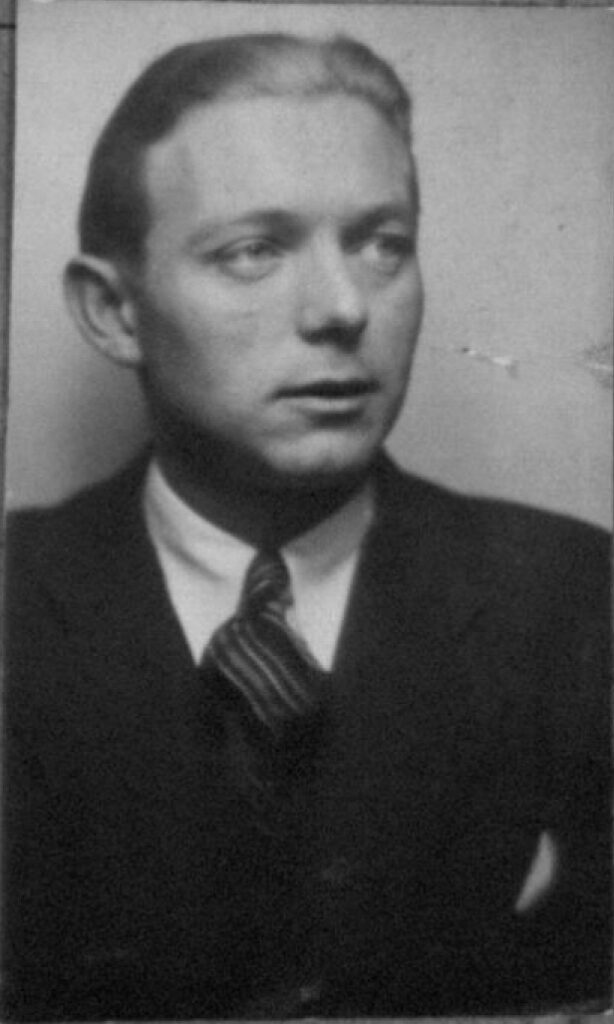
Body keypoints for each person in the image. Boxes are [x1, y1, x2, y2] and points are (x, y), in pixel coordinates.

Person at [3, 32, 610, 1021]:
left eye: (382, 244)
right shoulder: (15, 599)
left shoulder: (580, 600)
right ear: (113, 311)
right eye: (252, 251)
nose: (341, 307)